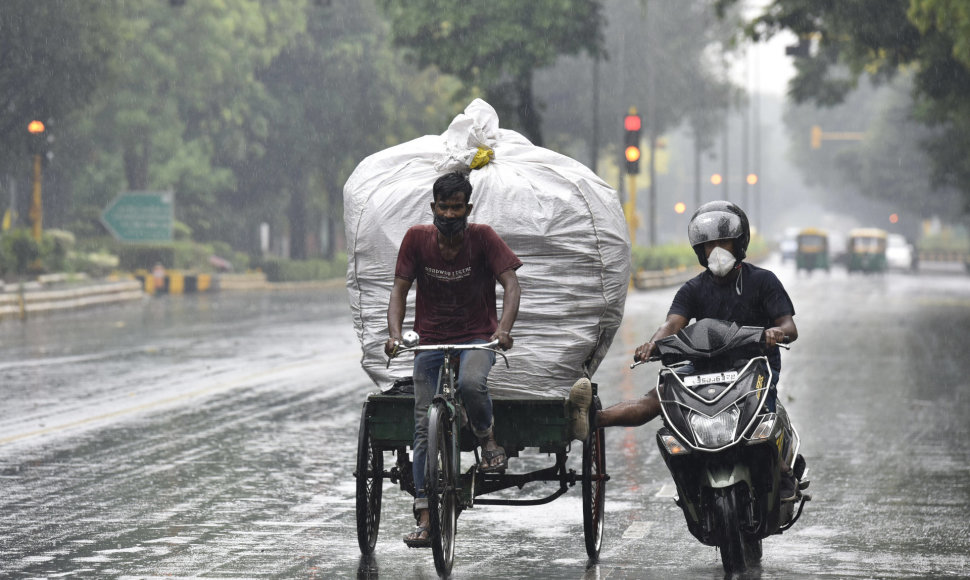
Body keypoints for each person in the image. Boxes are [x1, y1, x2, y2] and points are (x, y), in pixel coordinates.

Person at [570, 200, 799, 497]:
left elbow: (789, 327)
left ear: (739, 243)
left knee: (762, 415)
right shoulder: (692, 289)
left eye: (724, 242)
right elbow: (672, 325)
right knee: (659, 399)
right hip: (703, 367)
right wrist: (653, 344)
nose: (716, 251)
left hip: (754, 367)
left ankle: (782, 472)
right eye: (708, 244)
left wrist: (775, 333)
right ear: (699, 251)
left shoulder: (763, 281)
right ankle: (591, 419)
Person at [385, 171, 522, 548]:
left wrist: (504, 329)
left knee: (471, 384)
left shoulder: (482, 238)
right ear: (433, 207)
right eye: (442, 207)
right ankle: (426, 516)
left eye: (456, 207)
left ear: (468, 208)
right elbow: (399, 290)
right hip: (429, 341)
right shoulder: (416, 240)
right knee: (421, 426)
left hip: (477, 337)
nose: (448, 213)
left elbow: (511, 283)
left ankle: (486, 438)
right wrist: (395, 335)